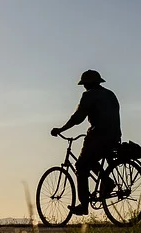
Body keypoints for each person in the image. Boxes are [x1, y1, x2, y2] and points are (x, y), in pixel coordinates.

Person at [51, 69, 121, 214]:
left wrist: (61, 129)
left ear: (88, 84)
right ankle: (107, 182)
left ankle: (84, 205)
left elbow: (78, 118)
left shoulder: (89, 95)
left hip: (98, 136)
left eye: (85, 84)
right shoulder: (110, 94)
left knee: (81, 166)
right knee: (91, 160)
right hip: (114, 137)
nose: (84, 87)